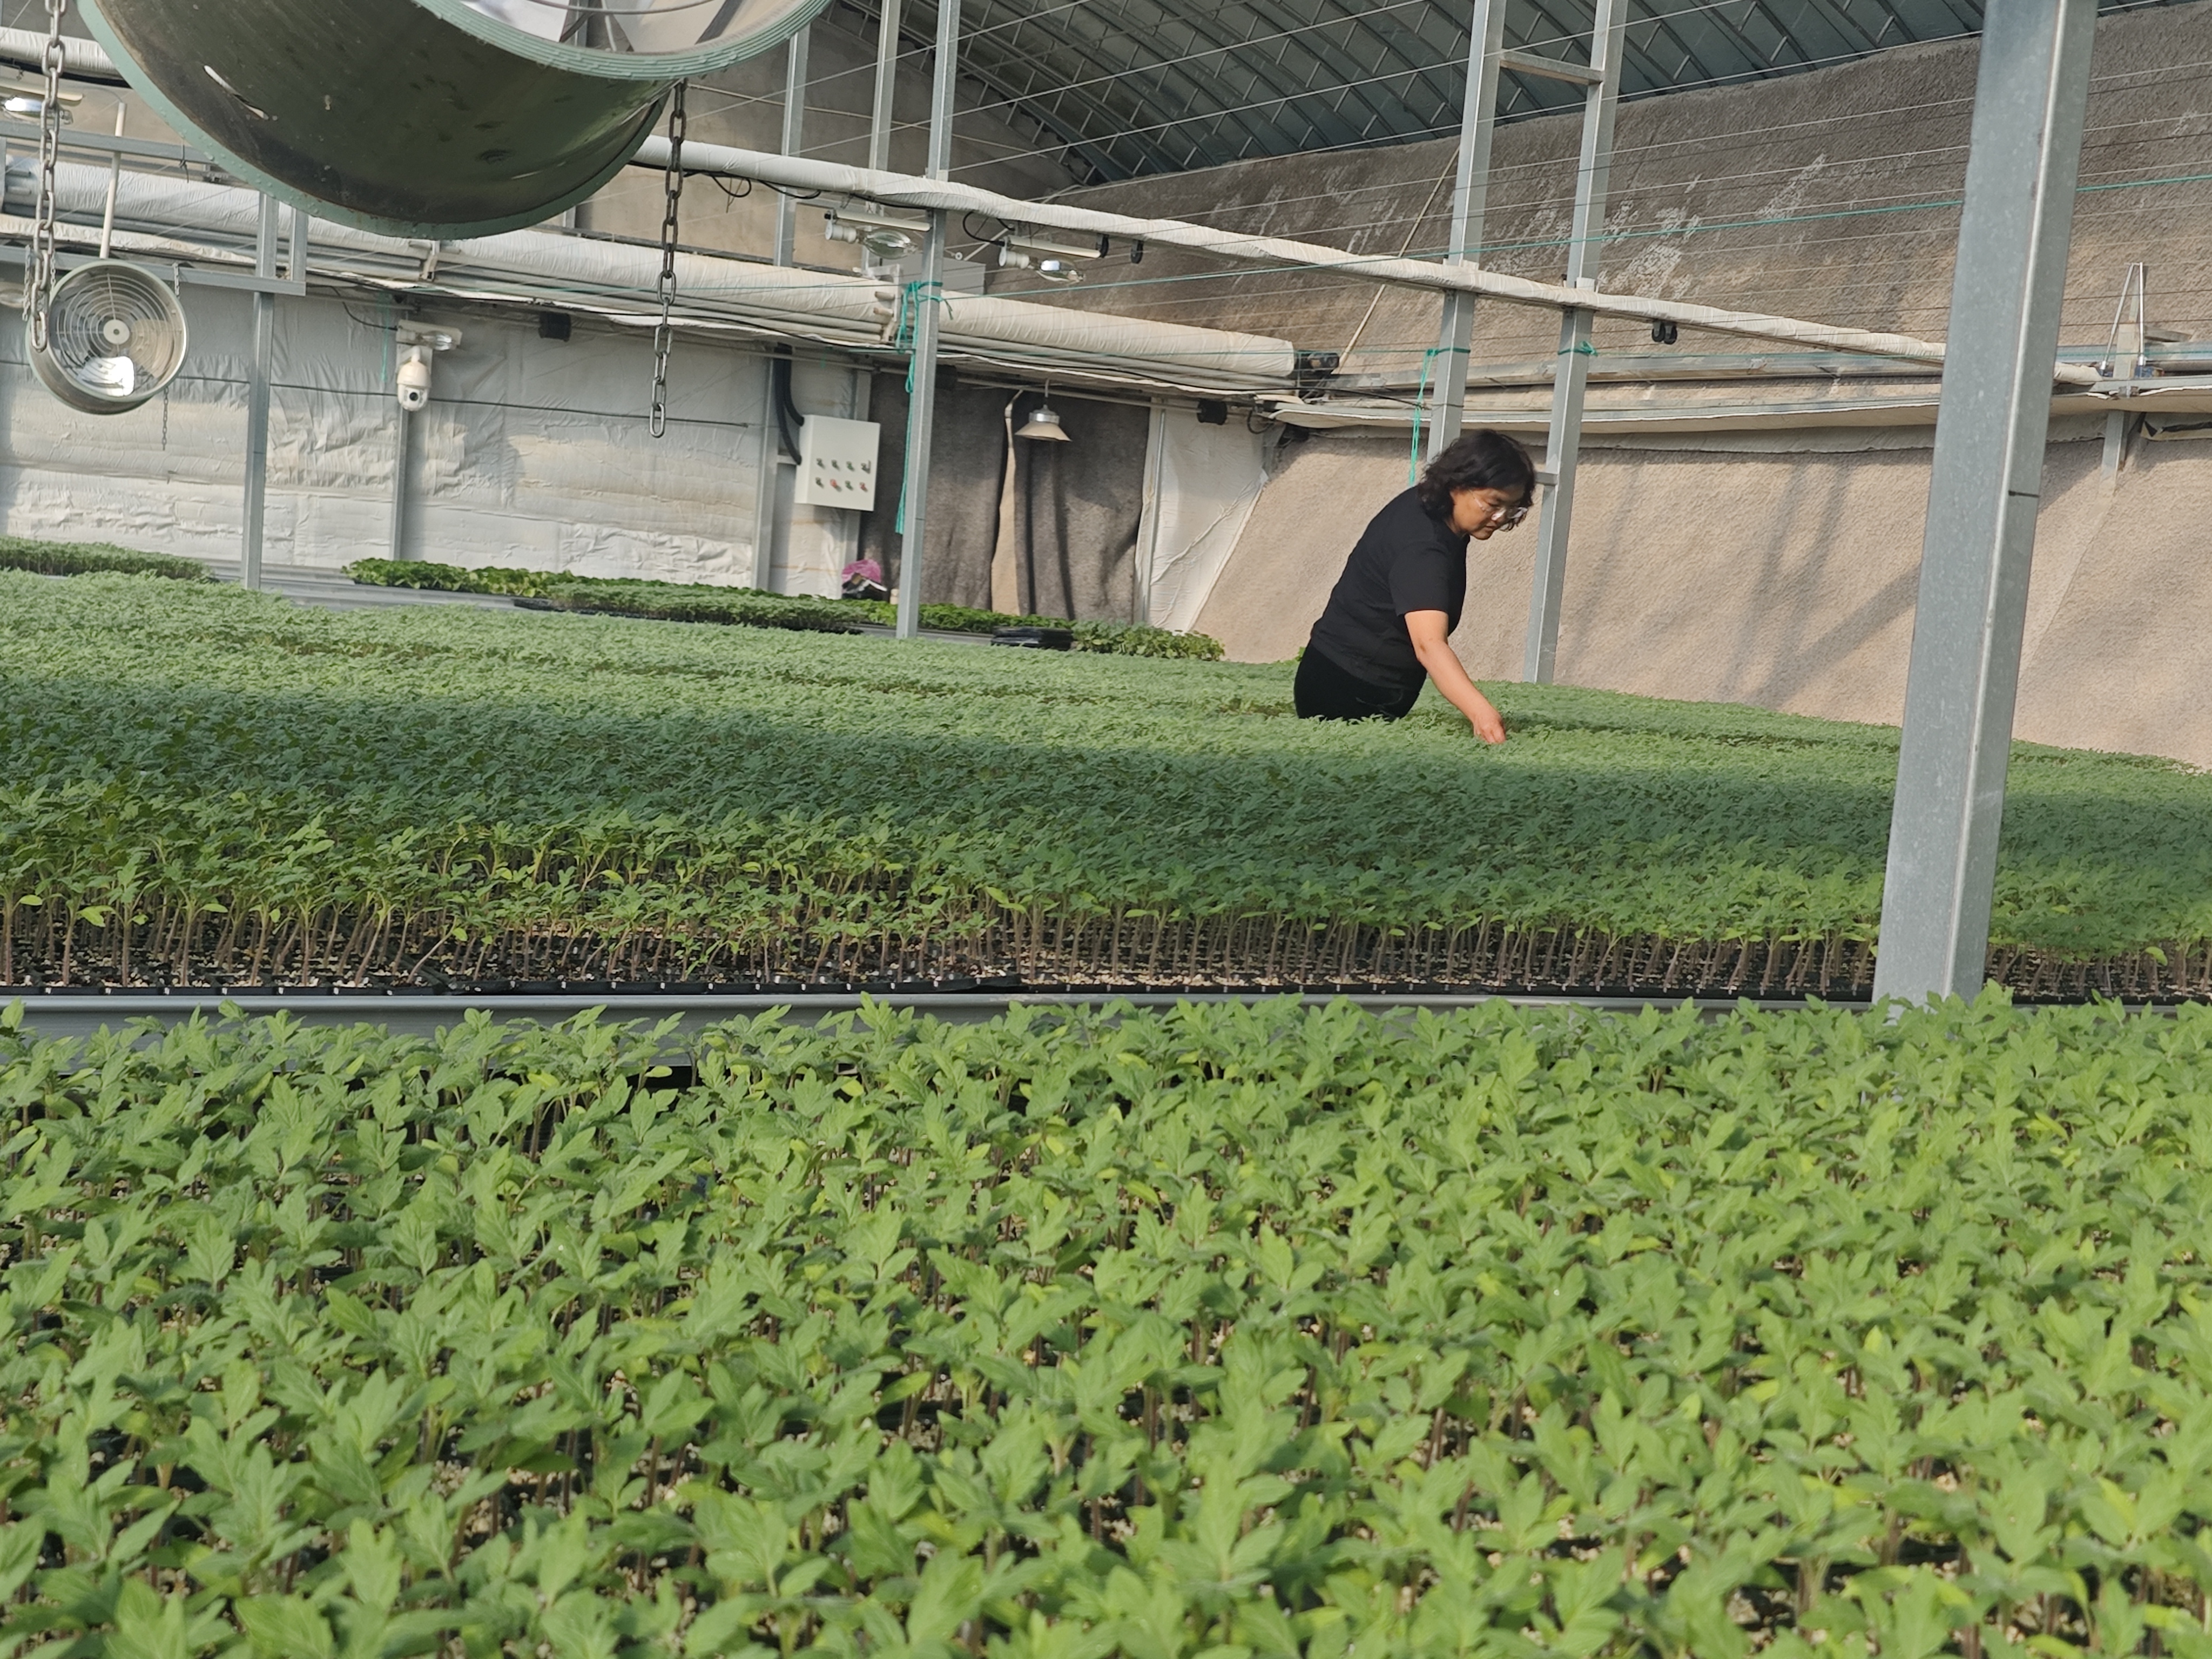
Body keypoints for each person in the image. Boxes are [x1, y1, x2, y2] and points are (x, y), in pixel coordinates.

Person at [1294, 428, 1536, 743]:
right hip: (1346, 691)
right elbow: (1429, 646)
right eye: (1493, 504)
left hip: (1345, 677)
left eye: (1512, 508)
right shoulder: (1423, 547)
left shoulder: (1427, 507)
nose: (1500, 517)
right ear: (1458, 485)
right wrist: (1481, 713)